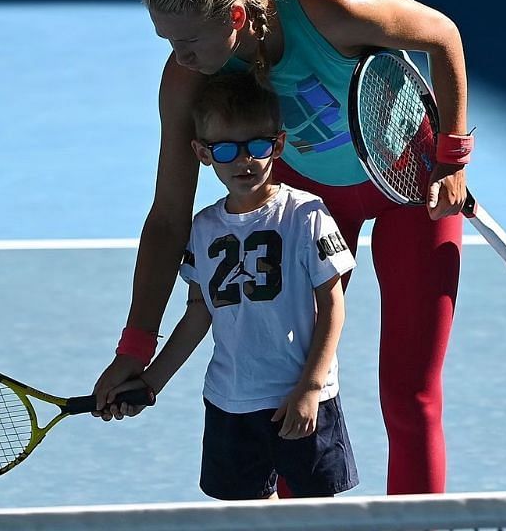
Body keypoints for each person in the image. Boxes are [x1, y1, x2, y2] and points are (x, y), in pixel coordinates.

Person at [93, 0, 474, 495]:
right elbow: (169, 216)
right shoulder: (186, 79)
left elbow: (443, 34)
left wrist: (451, 158)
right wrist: (136, 346)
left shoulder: (329, 8)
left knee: (409, 391)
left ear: (238, 16)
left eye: (190, 39)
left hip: (411, 188)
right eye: (167, 39)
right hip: (314, 200)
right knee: (287, 387)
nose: (180, 56)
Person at [106, 72, 359, 500]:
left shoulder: (305, 214)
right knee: (244, 516)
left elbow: (333, 308)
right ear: (203, 153)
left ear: (278, 145)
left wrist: (310, 389)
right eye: (226, 149)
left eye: (257, 146)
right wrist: (151, 382)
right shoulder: (203, 229)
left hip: (299, 397)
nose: (244, 161)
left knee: (319, 516)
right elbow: (196, 315)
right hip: (230, 403)